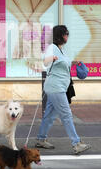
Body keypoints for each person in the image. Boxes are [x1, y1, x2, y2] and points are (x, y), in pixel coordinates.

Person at [35, 25, 91, 155]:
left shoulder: (61, 50)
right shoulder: (52, 48)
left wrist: (73, 62)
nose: (67, 36)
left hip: (57, 87)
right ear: (60, 35)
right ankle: (76, 143)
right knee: (66, 115)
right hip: (56, 88)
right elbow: (45, 61)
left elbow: (62, 63)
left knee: (49, 115)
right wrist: (52, 58)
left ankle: (41, 139)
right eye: (66, 34)